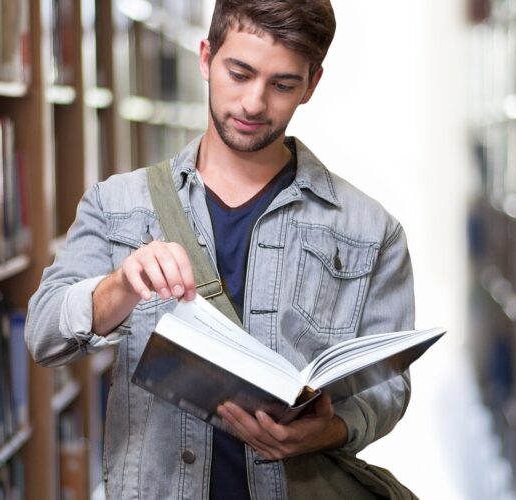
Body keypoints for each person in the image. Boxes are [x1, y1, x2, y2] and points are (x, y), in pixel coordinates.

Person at [25, 1, 416, 498]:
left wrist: (330, 430)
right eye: (240, 72)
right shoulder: (118, 204)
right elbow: (43, 335)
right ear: (206, 57)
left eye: (282, 84)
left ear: (312, 84)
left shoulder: (371, 229)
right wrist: (119, 285)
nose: (254, 103)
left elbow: (389, 385)